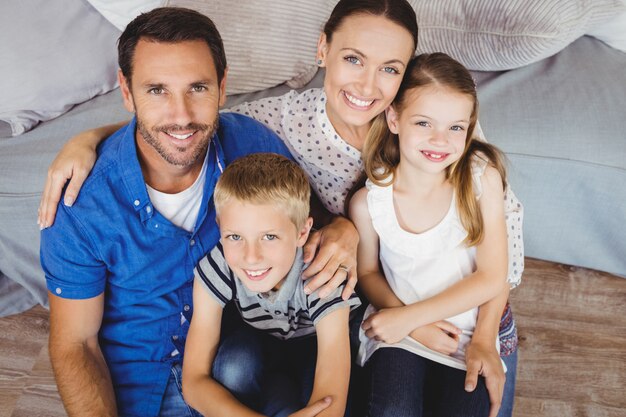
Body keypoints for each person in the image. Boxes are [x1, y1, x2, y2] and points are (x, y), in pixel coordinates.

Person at [37, 1, 523, 415]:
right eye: (353, 58)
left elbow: (503, 266)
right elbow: (180, 129)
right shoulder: (275, 127)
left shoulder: (438, 134)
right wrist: (89, 139)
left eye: (390, 68)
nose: (368, 85)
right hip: (331, 317)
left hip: (448, 315)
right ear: (323, 50)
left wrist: (350, 237)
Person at [40, 8, 357, 417]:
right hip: (142, 388)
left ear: (222, 88)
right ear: (126, 90)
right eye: (157, 90)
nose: (182, 115)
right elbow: (75, 344)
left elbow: (308, 222)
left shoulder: (252, 147)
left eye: (198, 88)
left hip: (238, 369)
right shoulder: (80, 202)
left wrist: (347, 229)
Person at [349, 52, 515, 417]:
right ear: (394, 118)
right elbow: (368, 274)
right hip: (400, 334)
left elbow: (491, 276)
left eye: (456, 128)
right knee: (392, 409)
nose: (440, 140)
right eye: (424, 123)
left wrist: (416, 318)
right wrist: (411, 323)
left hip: (467, 338)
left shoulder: (480, 181)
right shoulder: (369, 203)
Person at [183, 153, 361, 417]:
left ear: (302, 233)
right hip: (260, 346)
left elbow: (329, 402)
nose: (251, 257)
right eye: (234, 236)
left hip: (315, 349)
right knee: (235, 365)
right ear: (220, 227)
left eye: (269, 236)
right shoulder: (219, 265)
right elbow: (194, 382)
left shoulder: (322, 271)